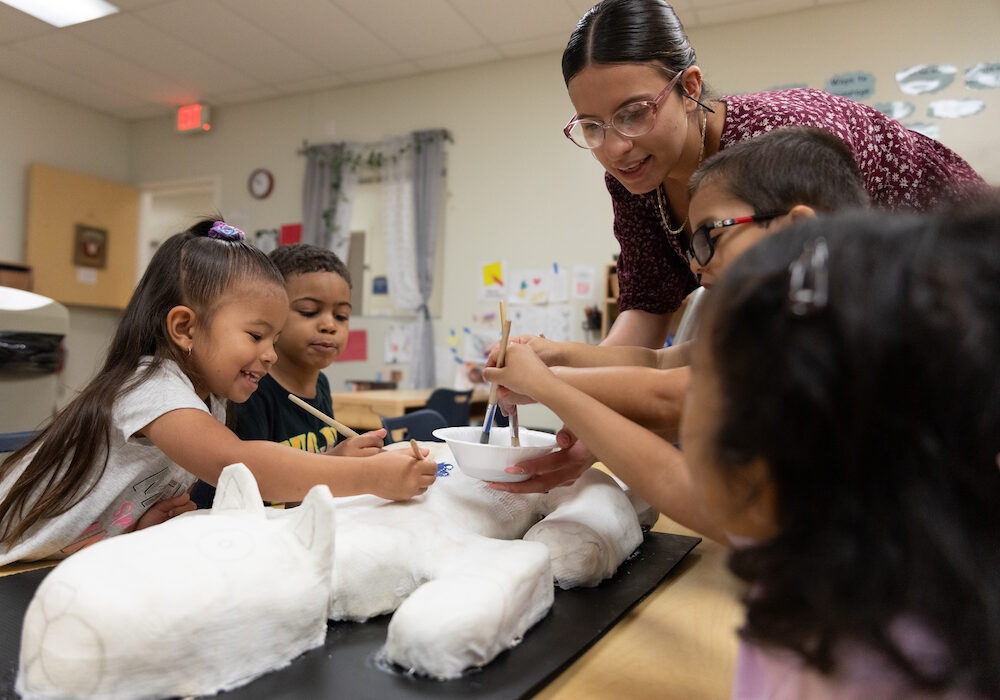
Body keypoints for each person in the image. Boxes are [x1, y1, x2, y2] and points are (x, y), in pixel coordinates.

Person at [485, 202, 1000, 696]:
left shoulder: (880, 666)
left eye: (704, 388)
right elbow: (667, 467)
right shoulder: (835, 541)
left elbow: (670, 459)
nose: (682, 421)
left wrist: (552, 388)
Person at [0, 220, 436, 564]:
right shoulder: (151, 385)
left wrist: (328, 464)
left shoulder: (214, 397)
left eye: (274, 338)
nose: (269, 355)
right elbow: (238, 465)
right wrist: (370, 478)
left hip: (59, 561)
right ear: (185, 328)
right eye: (256, 335)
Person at [560, 0, 985, 351]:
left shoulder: (774, 140)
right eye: (592, 126)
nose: (614, 148)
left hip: (962, 277)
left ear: (689, 89)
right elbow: (647, 308)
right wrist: (574, 407)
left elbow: (789, 338)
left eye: (634, 113)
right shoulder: (636, 174)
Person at [492, 126, 869, 491]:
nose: (694, 265)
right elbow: (662, 364)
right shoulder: (771, 320)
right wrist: (558, 355)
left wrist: (544, 383)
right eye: (692, 247)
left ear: (795, 230)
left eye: (710, 237)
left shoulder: (832, 325)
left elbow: (671, 395)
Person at [190, 243, 383, 508]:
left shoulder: (321, 384)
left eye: (341, 316)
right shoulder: (249, 389)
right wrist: (336, 464)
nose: (329, 325)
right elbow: (253, 489)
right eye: (308, 312)